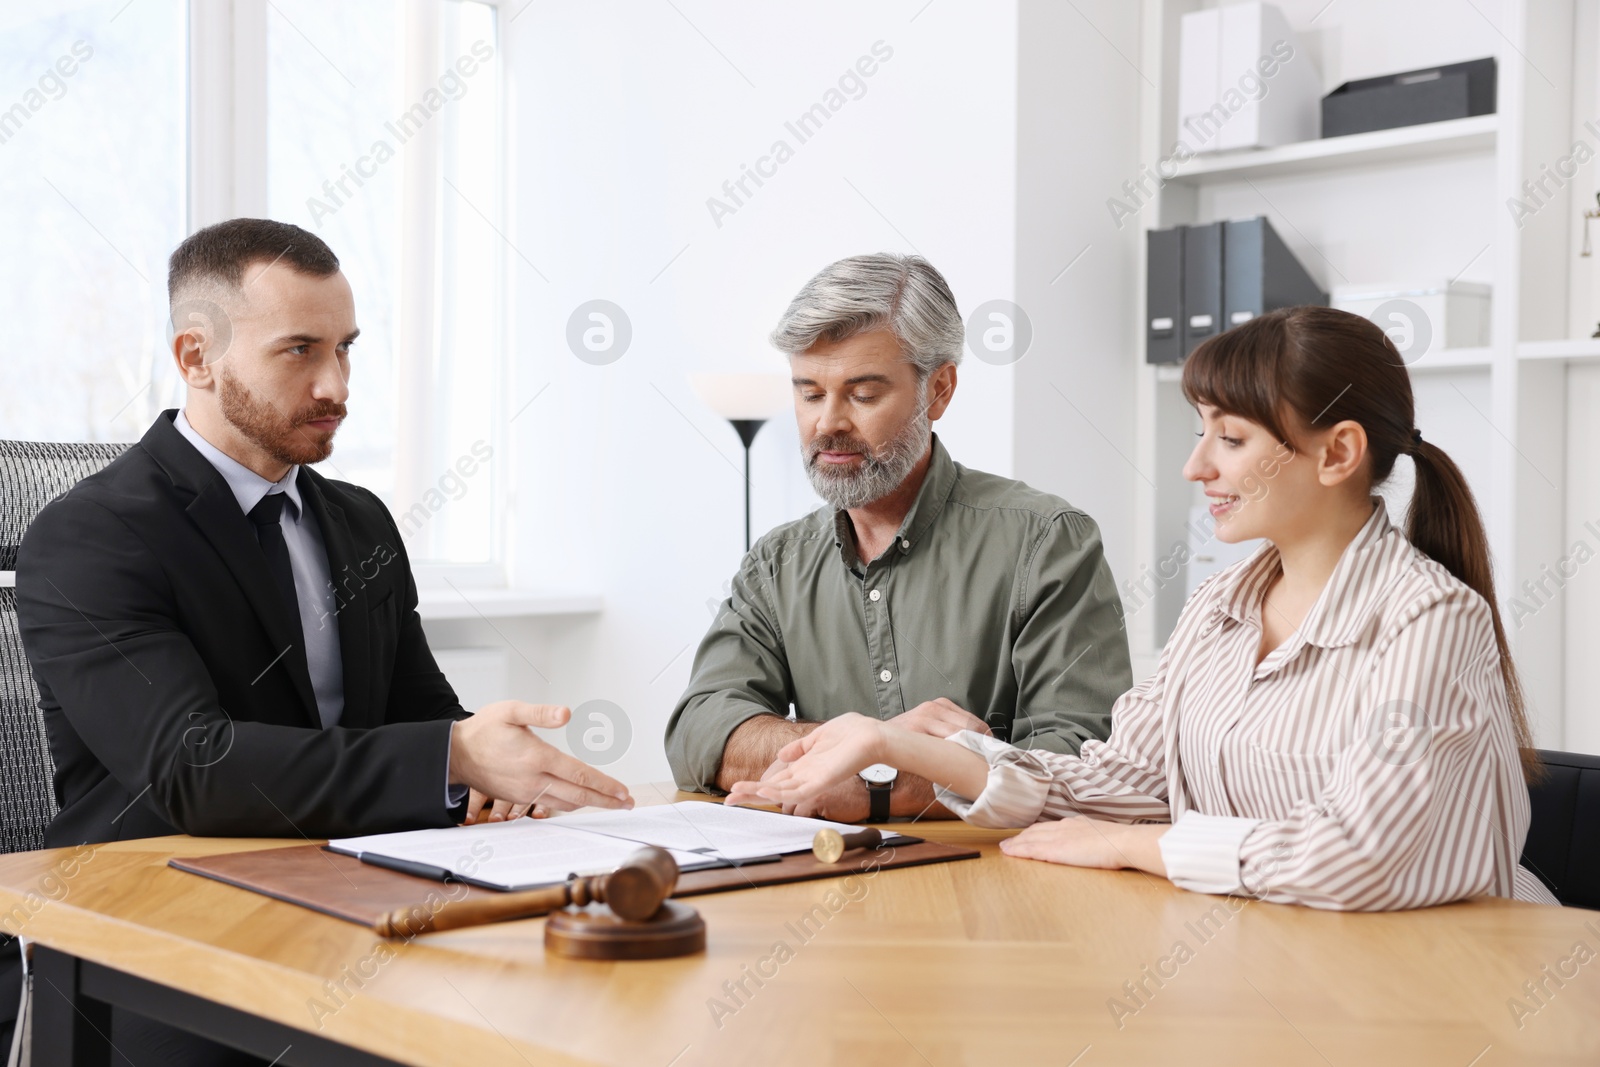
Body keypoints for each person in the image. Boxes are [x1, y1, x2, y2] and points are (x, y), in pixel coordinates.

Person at [13, 218, 633, 1063]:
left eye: (346, 348)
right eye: (299, 350)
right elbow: (193, 765)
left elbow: (419, 714)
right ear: (196, 357)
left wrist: (489, 773)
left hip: (354, 898)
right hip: (155, 931)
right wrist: (451, 758)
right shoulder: (92, 534)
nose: (336, 383)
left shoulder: (359, 521)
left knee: (571, 1011)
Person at [730, 304, 1559, 911]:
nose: (1198, 465)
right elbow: (1117, 782)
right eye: (1200, 432)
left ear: (1338, 452)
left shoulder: (1430, 618)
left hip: (1443, 984)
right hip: (1262, 957)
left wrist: (1132, 846)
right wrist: (896, 742)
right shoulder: (1219, 609)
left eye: (1229, 438)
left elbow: (1358, 856)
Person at [667, 253, 1131, 822]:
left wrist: (874, 782)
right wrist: (880, 744)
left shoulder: (1047, 543)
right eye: (810, 393)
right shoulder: (776, 563)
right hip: (820, 882)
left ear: (939, 390)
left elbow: (1087, 764)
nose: (827, 422)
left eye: (862, 394)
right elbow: (700, 732)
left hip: (995, 889)